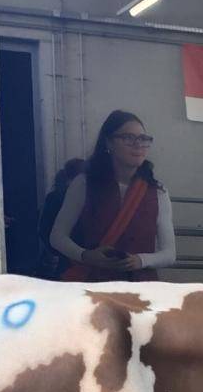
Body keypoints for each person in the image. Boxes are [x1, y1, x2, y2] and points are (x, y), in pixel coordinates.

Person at [50, 111, 176, 282]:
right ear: (108, 142)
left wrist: (140, 260)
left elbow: (169, 254)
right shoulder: (84, 184)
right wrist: (85, 256)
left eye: (143, 139)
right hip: (94, 284)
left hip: (140, 287)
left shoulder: (158, 191)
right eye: (128, 138)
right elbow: (57, 236)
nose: (138, 144)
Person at [35, 158, 87, 279]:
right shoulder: (57, 197)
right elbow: (45, 229)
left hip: (67, 256)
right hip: (68, 258)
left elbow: (43, 229)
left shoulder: (54, 196)